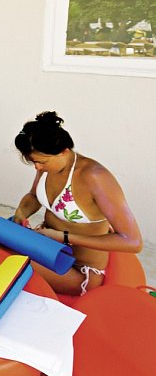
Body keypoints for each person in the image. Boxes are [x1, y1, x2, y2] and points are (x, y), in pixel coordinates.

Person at [13, 111, 143, 295]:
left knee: (8, 259)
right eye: (34, 162)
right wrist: (21, 213)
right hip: (48, 249)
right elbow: (34, 196)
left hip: (78, 270)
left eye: (41, 162)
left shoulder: (95, 177)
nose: (37, 167)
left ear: (64, 151)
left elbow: (133, 242)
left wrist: (64, 237)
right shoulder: (47, 167)